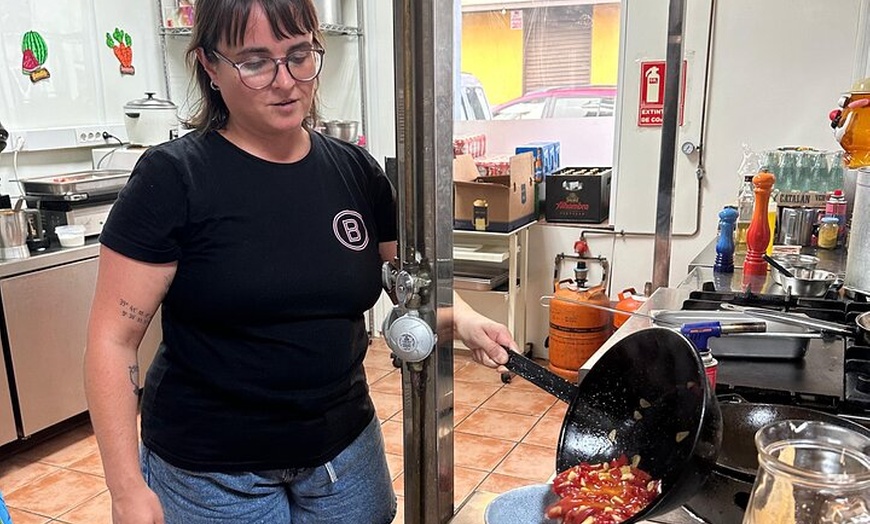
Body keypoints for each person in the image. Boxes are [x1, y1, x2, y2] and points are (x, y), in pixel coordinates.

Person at [83, 1, 513, 523]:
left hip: (342, 452)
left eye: (299, 54)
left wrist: (464, 319)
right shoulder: (173, 179)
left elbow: (414, 282)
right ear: (210, 67)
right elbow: (113, 338)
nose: (286, 82)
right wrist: (125, 487)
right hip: (213, 471)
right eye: (256, 61)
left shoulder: (354, 169)